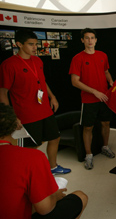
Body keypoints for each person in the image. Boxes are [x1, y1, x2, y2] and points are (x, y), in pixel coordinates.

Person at [0, 29, 71, 175]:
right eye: (31, 44)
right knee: (31, 146)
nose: (35, 47)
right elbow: (3, 92)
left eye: (36, 44)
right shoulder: (9, 65)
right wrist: (11, 117)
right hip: (26, 114)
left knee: (55, 137)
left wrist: (52, 97)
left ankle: (53, 167)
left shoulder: (37, 60)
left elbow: (42, 82)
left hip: (44, 110)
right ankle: (26, 174)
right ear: (19, 44)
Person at [0, 103, 88, 218]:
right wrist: (55, 196)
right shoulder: (32, 157)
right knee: (81, 196)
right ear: (14, 124)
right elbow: (45, 209)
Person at [69, 28, 115, 170]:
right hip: (89, 99)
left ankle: (105, 147)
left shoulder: (102, 55)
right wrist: (94, 91)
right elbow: (75, 81)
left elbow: (106, 71)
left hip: (104, 98)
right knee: (88, 127)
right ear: (82, 40)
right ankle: (88, 155)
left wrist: (111, 83)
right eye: (87, 38)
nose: (90, 40)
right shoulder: (78, 58)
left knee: (106, 123)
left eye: (92, 38)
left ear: (96, 40)